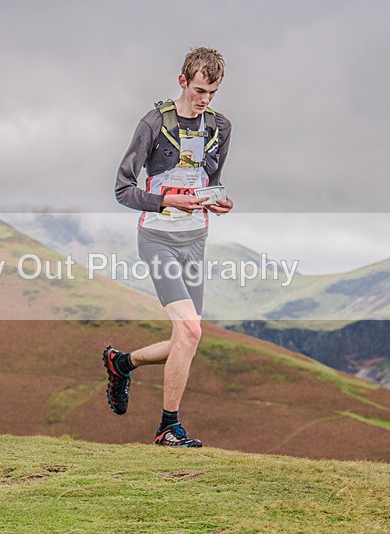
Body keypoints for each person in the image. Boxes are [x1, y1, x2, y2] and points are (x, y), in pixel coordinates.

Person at [105, 47, 234, 447]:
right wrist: (164, 200)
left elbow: (211, 180)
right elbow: (122, 190)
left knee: (186, 337)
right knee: (191, 331)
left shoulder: (221, 126)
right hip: (158, 237)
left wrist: (220, 200)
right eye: (199, 90)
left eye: (212, 92)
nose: (205, 100)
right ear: (182, 81)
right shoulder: (153, 123)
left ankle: (122, 363)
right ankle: (168, 427)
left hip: (196, 238)